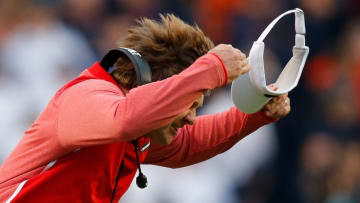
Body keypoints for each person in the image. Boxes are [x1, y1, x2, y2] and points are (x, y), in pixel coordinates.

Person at [0, 14, 290, 202]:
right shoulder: (86, 96)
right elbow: (124, 119)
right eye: (189, 105)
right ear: (153, 85)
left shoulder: (139, 132)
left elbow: (190, 142)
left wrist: (257, 112)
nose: (191, 118)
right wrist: (211, 69)